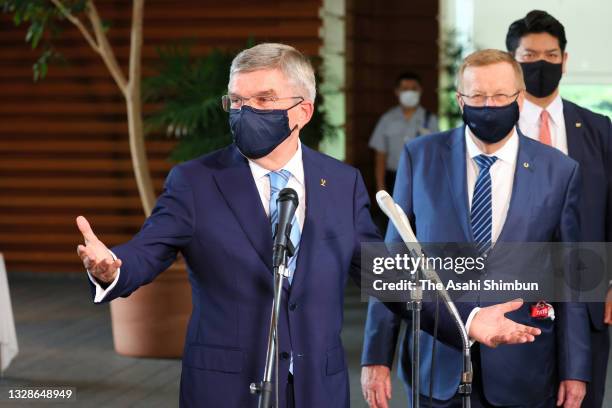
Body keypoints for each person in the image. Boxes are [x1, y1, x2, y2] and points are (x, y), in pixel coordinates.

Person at [75, 43, 541, 408]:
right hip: (226, 387)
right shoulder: (196, 181)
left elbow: (387, 275)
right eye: (236, 101)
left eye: (263, 99)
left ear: (302, 110)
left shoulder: (340, 183)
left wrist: (471, 319)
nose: (245, 112)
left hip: (316, 388)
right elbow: (149, 249)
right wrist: (112, 266)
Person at [361, 49, 591, 408]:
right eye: (477, 96)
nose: (489, 105)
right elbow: (393, 265)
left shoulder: (559, 171)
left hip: (524, 362)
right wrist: (376, 357)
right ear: (459, 99)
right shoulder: (419, 157)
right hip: (436, 360)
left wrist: (575, 369)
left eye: (500, 96)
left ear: (520, 97)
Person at [506, 11, 612, 407]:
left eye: (551, 55)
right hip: (512, 289)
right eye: (530, 55)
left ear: (565, 60)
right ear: (512, 61)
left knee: (581, 396)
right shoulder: (497, 127)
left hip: (586, 289)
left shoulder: (599, 128)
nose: (542, 65)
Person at [369, 72, 439, 194]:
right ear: (397, 92)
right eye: (405, 89)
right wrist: (380, 186)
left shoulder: (430, 120)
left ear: (420, 91)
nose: (409, 92)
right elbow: (380, 156)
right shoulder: (387, 119)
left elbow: (436, 154)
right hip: (393, 179)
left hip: (422, 179)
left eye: (414, 89)